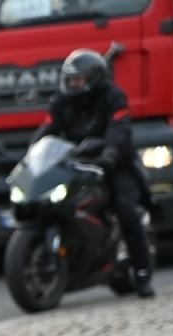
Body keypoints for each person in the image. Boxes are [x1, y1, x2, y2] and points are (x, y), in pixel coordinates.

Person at [34, 48, 154, 297]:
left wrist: (110, 154)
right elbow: (48, 129)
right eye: (70, 79)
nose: (73, 84)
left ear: (94, 78)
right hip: (77, 163)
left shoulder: (113, 96)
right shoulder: (61, 101)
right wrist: (32, 153)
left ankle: (142, 272)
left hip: (115, 164)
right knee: (52, 203)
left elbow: (119, 128)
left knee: (125, 210)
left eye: (78, 79)